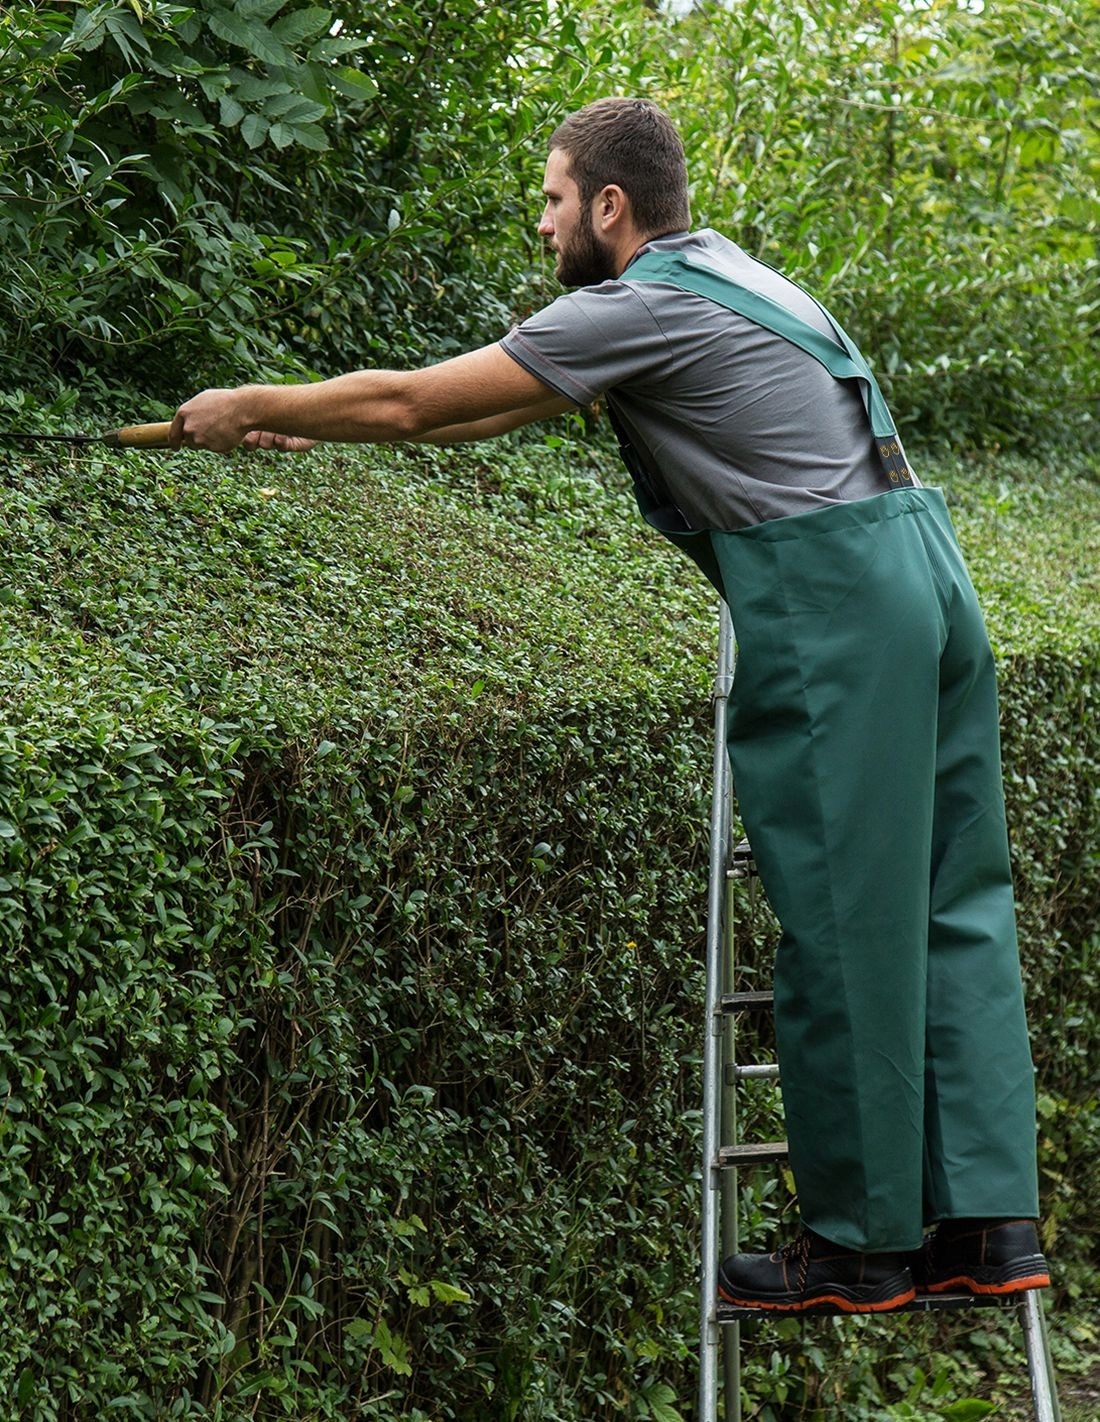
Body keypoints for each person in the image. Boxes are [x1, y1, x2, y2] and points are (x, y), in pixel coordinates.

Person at [171, 97, 1050, 1314]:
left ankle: (857, 1247)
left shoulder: (636, 305)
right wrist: (300, 427)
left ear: (607, 205)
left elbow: (420, 399)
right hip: (926, 583)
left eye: (547, 198)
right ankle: (985, 1229)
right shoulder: (738, 281)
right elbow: (493, 405)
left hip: (834, 604)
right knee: (953, 900)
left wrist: (252, 397)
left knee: (847, 918)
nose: (539, 225)